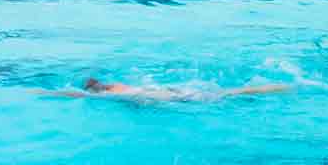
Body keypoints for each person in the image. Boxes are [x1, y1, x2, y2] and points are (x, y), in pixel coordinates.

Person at [48, 75, 296, 104]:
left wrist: (44, 94)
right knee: (230, 92)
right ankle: (279, 87)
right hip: (165, 90)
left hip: (164, 97)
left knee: (228, 95)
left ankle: (279, 88)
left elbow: (74, 94)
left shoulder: (109, 95)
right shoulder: (118, 86)